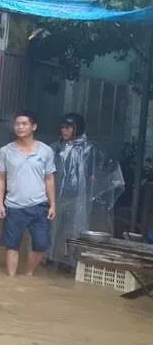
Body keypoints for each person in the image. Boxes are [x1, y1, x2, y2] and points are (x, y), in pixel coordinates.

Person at [47, 113, 125, 271]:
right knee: (53, 228)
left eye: (68, 127)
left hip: (78, 198)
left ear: (77, 128)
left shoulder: (90, 149)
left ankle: (71, 261)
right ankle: (49, 257)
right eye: (62, 127)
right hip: (55, 198)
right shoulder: (55, 148)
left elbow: (108, 166)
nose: (64, 130)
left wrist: (96, 182)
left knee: (74, 229)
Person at [0, 110, 56, 277]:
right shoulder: (5, 151)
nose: (20, 127)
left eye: (24, 124)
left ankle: (28, 274)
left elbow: (49, 179)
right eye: (17, 124)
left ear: (33, 127)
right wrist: (0, 204)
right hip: (13, 206)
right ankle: (11, 280)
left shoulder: (46, 151)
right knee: (12, 245)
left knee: (41, 244)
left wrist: (52, 204)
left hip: (39, 205)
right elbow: (0, 179)